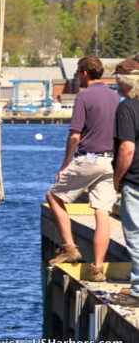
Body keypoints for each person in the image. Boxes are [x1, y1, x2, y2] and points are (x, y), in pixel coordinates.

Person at [45, 56, 119, 282]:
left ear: (85, 73)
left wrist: (65, 163)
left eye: (78, 73)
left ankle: (69, 248)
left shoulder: (84, 96)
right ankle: (97, 269)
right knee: (102, 212)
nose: (77, 77)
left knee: (54, 196)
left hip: (90, 159)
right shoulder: (116, 97)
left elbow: (75, 134)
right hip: (111, 162)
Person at [110, 55, 139, 305]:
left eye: (117, 81)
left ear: (125, 83)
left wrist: (117, 179)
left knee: (136, 237)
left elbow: (126, 149)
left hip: (136, 182)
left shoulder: (127, 108)